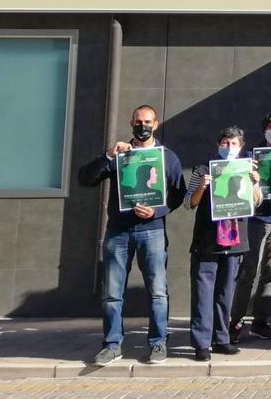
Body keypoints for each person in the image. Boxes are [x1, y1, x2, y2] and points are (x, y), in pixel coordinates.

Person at [78, 105, 186, 366]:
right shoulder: (119, 155)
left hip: (153, 231)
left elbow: (178, 193)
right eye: (138, 121)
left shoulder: (167, 157)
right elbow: (85, 178)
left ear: (156, 124)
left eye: (147, 121)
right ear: (131, 123)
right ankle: (112, 344)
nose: (142, 126)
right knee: (112, 294)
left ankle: (158, 343)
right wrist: (107, 155)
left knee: (158, 292)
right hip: (118, 231)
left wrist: (156, 210)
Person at [185, 126, 262, 361]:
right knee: (203, 293)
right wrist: (202, 187)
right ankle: (201, 343)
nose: (229, 148)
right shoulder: (203, 169)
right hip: (207, 241)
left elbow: (257, 202)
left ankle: (222, 339)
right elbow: (189, 203)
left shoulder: (247, 169)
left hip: (235, 241)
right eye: (226, 143)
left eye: (234, 144)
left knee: (225, 293)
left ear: (241, 147)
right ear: (219, 143)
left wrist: (256, 183)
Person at [231, 111, 271, 343]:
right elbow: (238, 190)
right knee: (247, 273)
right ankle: (235, 322)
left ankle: (260, 322)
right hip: (256, 221)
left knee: (270, 274)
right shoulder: (250, 156)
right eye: (269, 126)